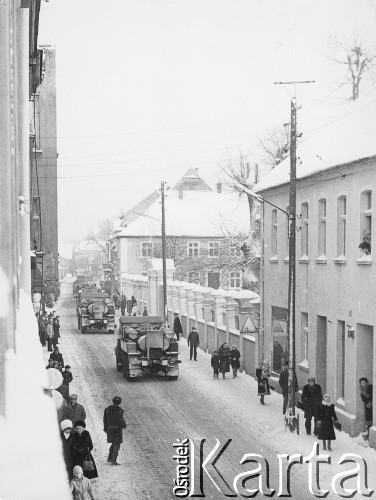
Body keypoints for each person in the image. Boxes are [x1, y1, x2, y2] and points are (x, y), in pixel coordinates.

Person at [103, 396, 127, 466]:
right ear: (120, 402)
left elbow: (105, 420)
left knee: (113, 443)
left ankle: (109, 458)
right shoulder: (120, 411)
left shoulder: (107, 409)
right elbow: (121, 421)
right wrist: (124, 425)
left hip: (109, 429)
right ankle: (113, 461)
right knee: (117, 445)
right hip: (117, 430)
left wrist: (105, 428)